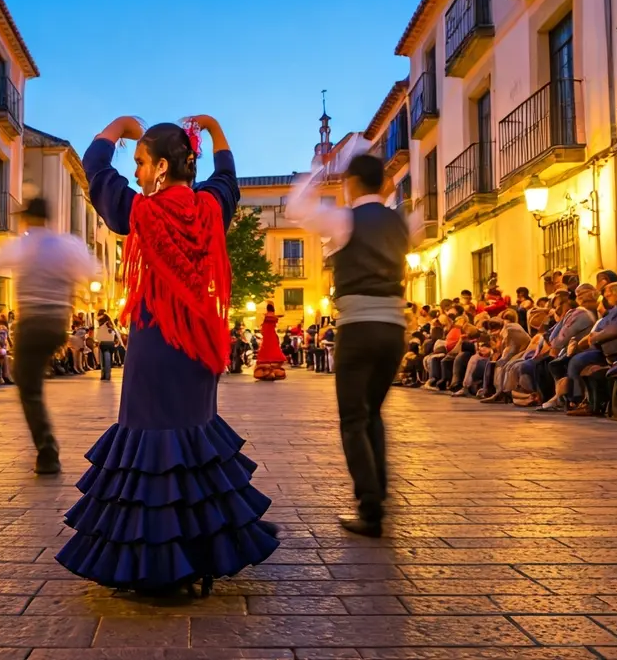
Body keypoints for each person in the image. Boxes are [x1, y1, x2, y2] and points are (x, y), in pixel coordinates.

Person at [56, 115, 279, 597]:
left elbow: (96, 169)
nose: (135, 172)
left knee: (152, 444)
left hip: (156, 341)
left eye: (140, 163)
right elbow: (228, 181)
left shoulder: (138, 212)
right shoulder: (210, 208)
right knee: (194, 446)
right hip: (199, 347)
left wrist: (118, 127)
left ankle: (155, 563)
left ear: (160, 167)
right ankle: (200, 557)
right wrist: (219, 130)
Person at [287, 149, 409, 538]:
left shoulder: (345, 219)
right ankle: (379, 498)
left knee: (353, 418)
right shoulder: (402, 222)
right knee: (373, 412)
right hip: (394, 328)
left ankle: (370, 508)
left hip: (357, 325)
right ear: (385, 183)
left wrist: (317, 170)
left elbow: (296, 208)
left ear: (350, 183)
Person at [0, 195, 98, 474]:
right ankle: (46, 445)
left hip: (32, 322)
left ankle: (47, 450)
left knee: (28, 388)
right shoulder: (66, 245)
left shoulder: (22, 244)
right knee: (33, 380)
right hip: (56, 324)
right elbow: (91, 270)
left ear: (27, 218)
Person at [254, 302, 286, 381]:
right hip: (272, 335)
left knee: (265, 347)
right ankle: (273, 368)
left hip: (266, 335)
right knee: (274, 347)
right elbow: (282, 315)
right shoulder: (275, 317)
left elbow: (260, 325)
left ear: (267, 308)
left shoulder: (264, 316)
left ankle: (265, 368)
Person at [93, 310, 119, 381]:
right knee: (110, 357)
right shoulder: (111, 323)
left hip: (103, 343)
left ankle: (103, 373)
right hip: (111, 343)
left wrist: (96, 340)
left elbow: (96, 321)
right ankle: (108, 372)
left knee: (101, 357)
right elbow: (115, 332)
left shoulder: (100, 324)